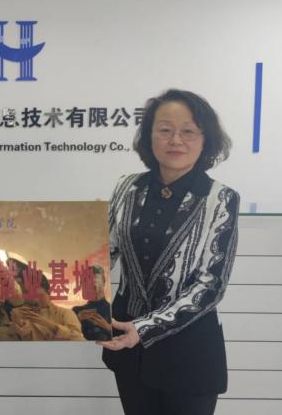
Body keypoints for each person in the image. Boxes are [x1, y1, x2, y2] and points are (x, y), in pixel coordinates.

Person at [99, 89, 239, 415]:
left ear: (205, 140)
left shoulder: (220, 199)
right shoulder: (127, 187)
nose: (175, 140)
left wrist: (145, 329)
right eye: (165, 129)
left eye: (188, 131)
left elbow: (211, 285)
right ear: (149, 136)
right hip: (128, 349)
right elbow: (105, 253)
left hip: (189, 353)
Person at [8, 274, 84, 341]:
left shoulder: (65, 313)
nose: (32, 299)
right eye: (25, 293)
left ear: (48, 292)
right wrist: (19, 324)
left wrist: (49, 325)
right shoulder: (19, 314)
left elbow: (78, 338)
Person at [72, 265, 112, 341]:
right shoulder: (76, 311)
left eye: (95, 278)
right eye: (88, 280)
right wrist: (78, 319)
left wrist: (108, 327)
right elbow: (68, 335)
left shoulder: (113, 309)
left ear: (104, 280)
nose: (93, 282)